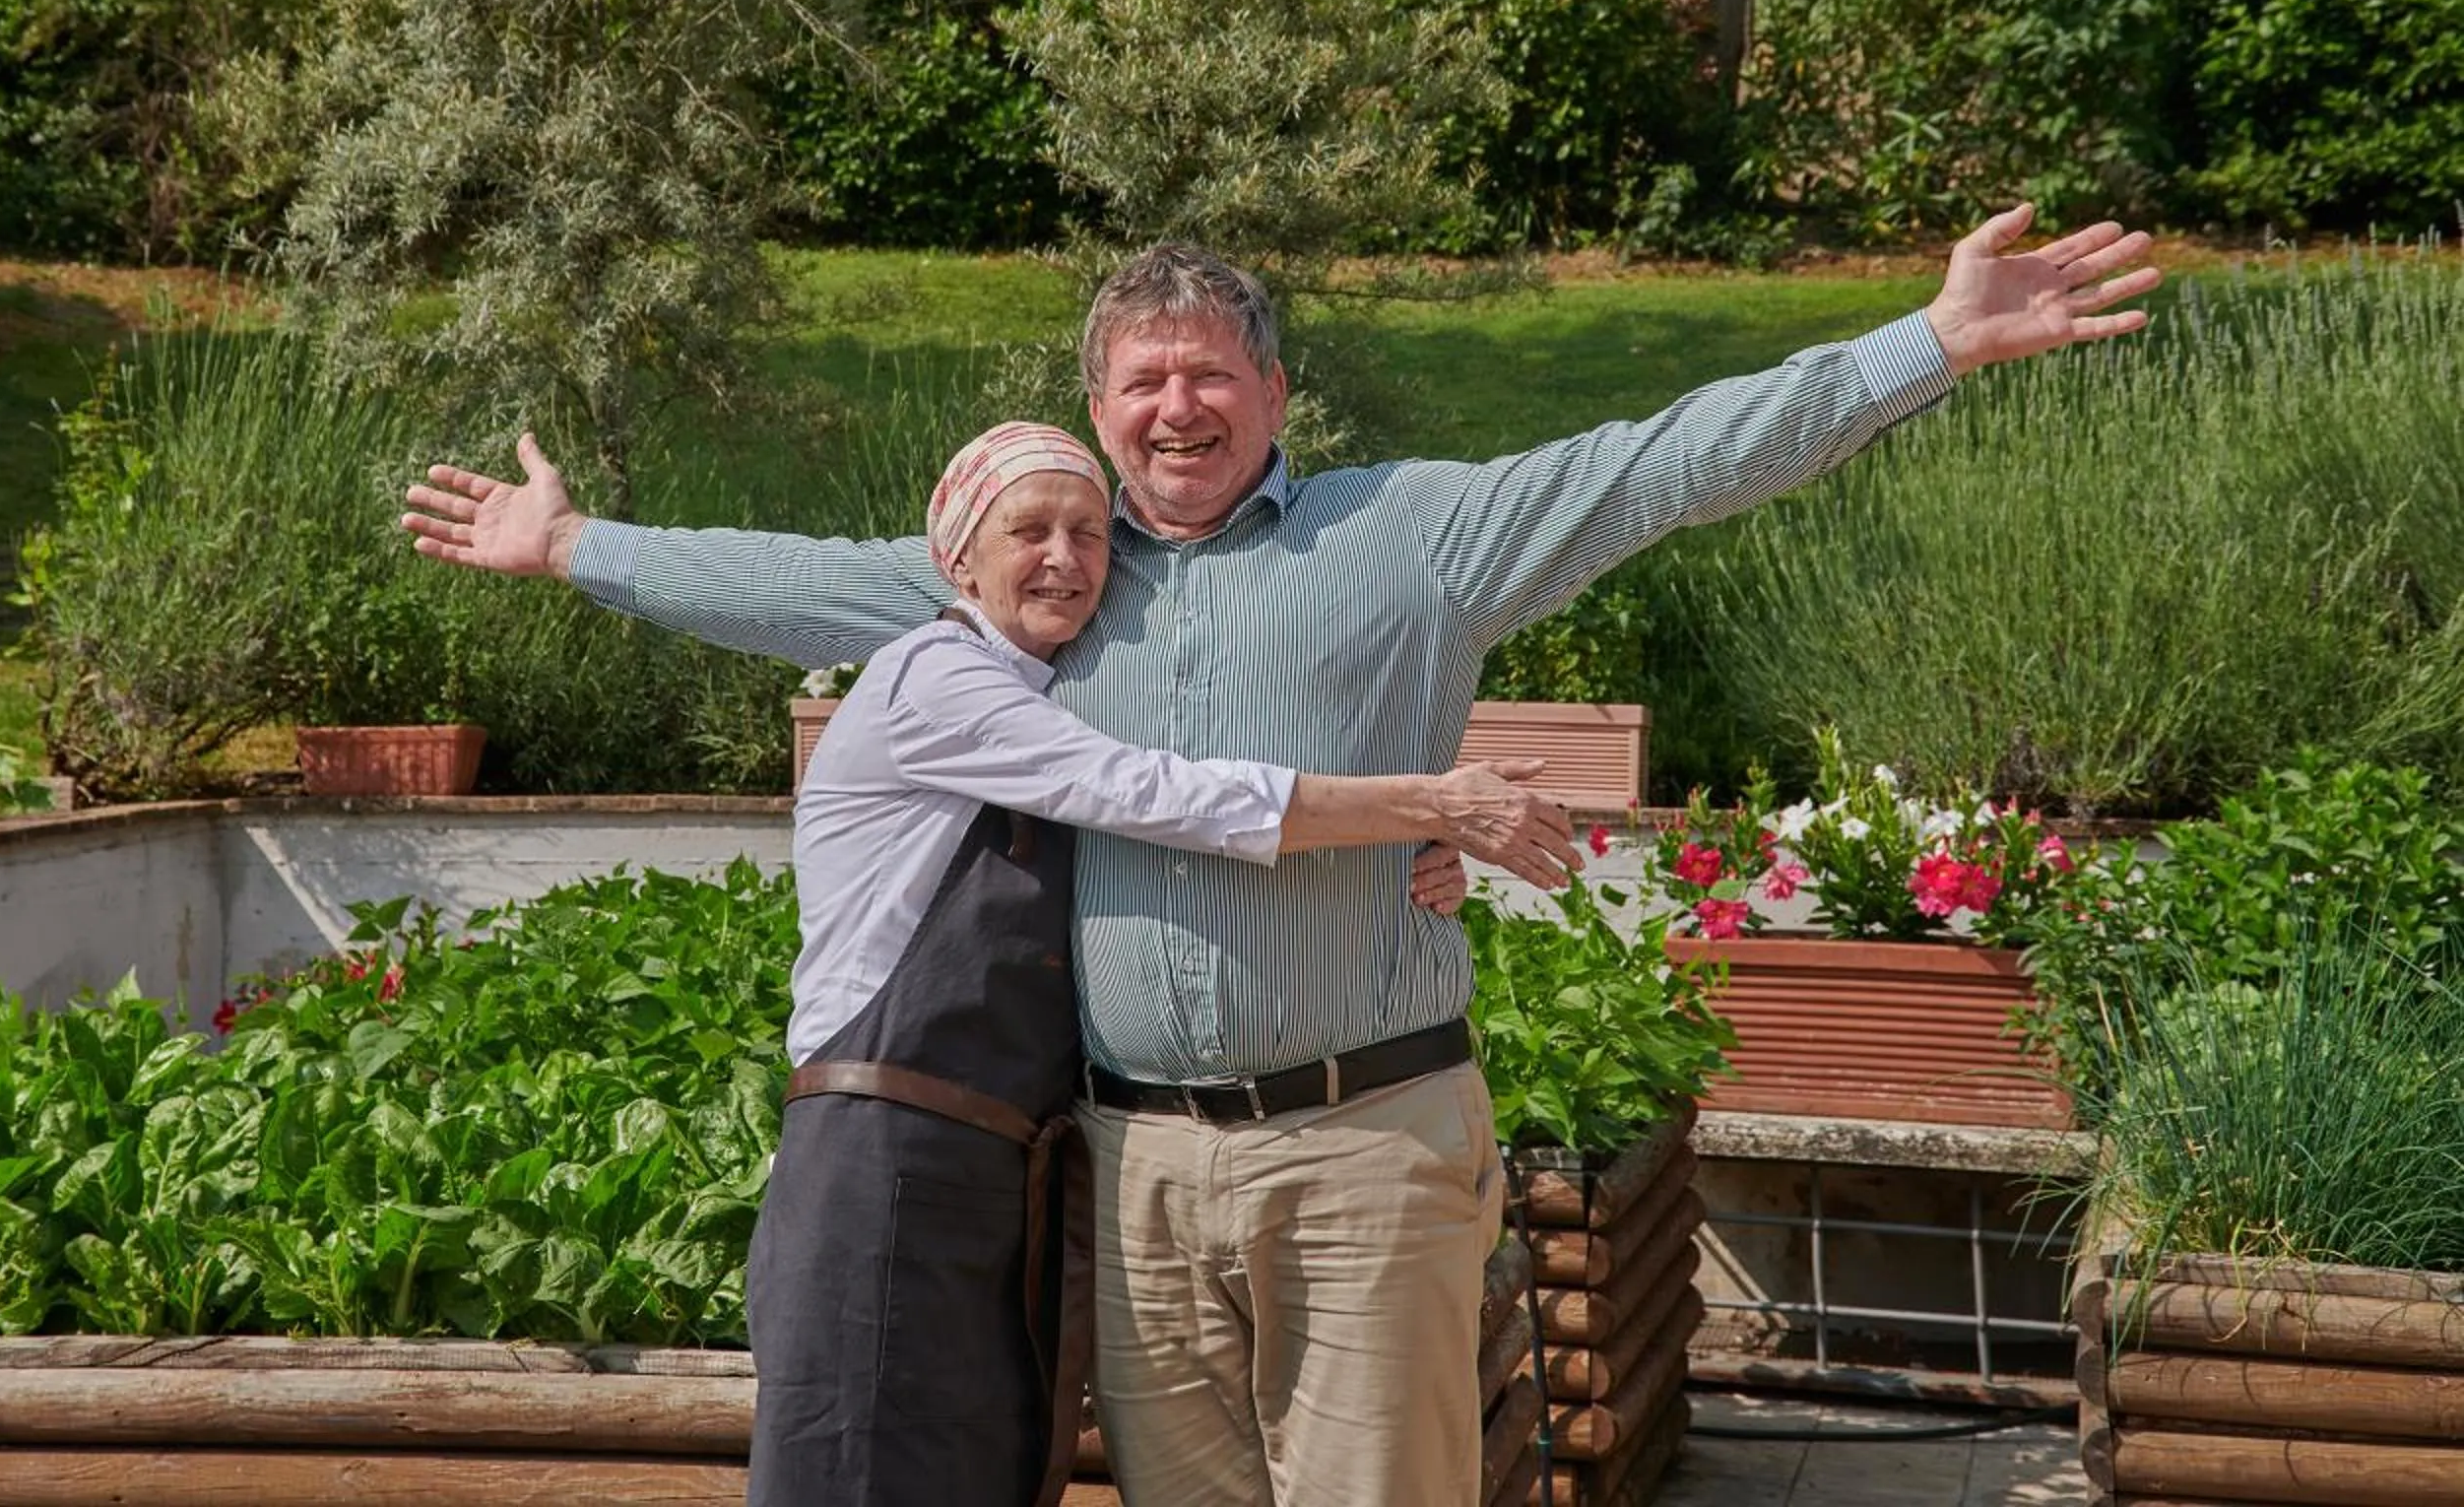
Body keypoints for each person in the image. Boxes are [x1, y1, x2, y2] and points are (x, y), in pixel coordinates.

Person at [402, 201, 2159, 1507]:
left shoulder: (1413, 534)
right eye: (1142, 381)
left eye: (1209, 375)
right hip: (1135, 1165)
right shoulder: (1039, 567)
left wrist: (1925, 344)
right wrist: (574, 545)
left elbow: (1664, 464)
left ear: (1274, 391)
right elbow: (784, 578)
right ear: (1096, 407)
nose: (1176, 408)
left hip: (1362, 1146)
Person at [742, 418, 1562, 1507]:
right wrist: (1425, 803)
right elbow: (1159, 793)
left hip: (992, 1170)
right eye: (1029, 530)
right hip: (878, 1158)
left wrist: (1405, 860)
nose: (1065, 558)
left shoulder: (1044, 693)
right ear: (957, 557)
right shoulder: (934, 681)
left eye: (1089, 533)